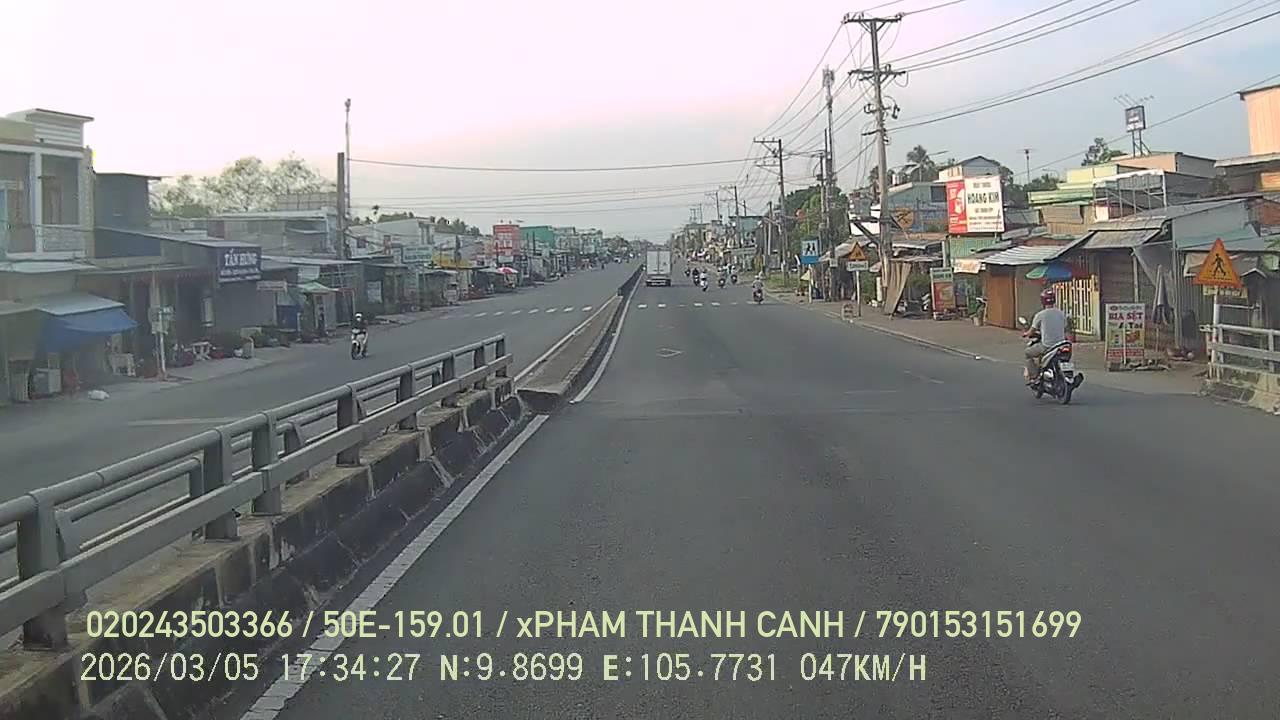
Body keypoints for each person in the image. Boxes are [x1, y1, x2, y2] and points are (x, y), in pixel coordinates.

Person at [1024, 290, 1068, 385]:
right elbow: (1065, 327)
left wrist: (1026, 334)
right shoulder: (1061, 313)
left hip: (1047, 346)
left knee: (1027, 353)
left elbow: (1032, 331)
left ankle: (1034, 377)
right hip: (1061, 345)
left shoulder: (1040, 315)